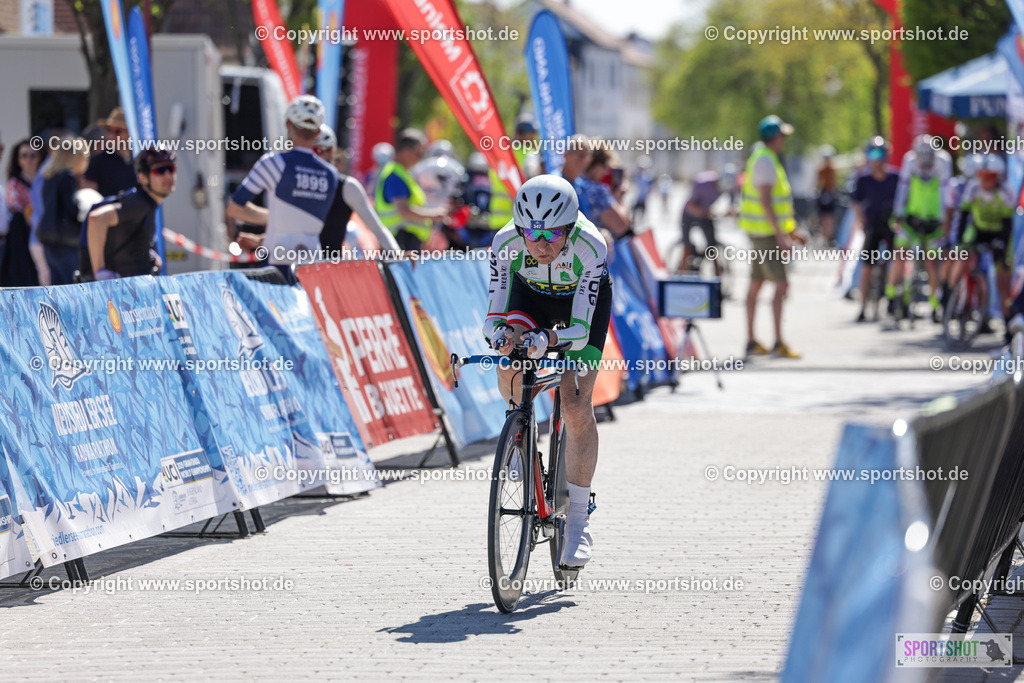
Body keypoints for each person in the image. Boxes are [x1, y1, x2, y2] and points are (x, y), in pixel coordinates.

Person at [484, 175, 612, 568]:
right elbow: (492, 317)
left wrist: (548, 341)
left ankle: (577, 517)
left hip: (579, 310)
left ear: (570, 228)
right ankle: (519, 436)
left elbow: (578, 330)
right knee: (510, 355)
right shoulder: (505, 245)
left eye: (553, 234)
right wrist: (500, 337)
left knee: (574, 404)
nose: (540, 244)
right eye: (531, 233)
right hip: (531, 297)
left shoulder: (591, 246)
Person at [227, 95, 339, 280]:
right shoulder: (331, 174)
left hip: (276, 264)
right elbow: (303, 221)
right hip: (313, 267)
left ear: (288, 125)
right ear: (318, 132)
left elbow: (234, 208)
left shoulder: (273, 163)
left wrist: (276, 217)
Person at [739, 115, 805, 358]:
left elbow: (773, 203)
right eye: (782, 136)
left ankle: (751, 341)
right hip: (766, 235)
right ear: (776, 137)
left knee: (756, 285)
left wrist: (791, 232)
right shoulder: (766, 161)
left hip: (761, 232)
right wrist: (782, 236)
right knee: (781, 285)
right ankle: (778, 341)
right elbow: (767, 201)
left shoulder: (762, 158)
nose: (784, 140)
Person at [82, 145, 176, 280]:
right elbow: (97, 218)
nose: (168, 175)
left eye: (170, 169)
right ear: (143, 177)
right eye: (160, 170)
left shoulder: (147, 203)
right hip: (116, 294)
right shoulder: (140, 203)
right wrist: (100, 271)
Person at [949, 154, 1014, 335]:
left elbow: (1008, 225)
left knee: (1003, 279)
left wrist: (1001, 246)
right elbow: (963, 216)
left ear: (998, 177)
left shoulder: (1006, 192)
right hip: (977, 231)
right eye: (981, 176)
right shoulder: (973, 188)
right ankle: (950, 295)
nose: (984, 181)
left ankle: (1008, 324)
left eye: (989, 177)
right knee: (961, 256)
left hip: (999, 233)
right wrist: (960, 241)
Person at [889, 134, 952, 322]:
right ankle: (893, 295)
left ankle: (935, 304)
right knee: (900, 254)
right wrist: (898, 214)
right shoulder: (909, 161)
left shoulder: (943, 162)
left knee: (931, 262)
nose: (924, 161)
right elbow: (903, 189)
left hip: (934, 220)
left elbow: (945, 193)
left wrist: (944, 220)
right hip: (911, 218)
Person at [312, 124, 399, 254]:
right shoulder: (289, 180)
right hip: (290, 264)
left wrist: (398, 256)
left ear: (331, 152)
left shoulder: (347, 186)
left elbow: (378, 229)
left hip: (327, 268)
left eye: (317, 151)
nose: (313, 157)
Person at [373, 128, 449, 252]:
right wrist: (436, 215)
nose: (421, 158)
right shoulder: (395, 175)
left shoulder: (403, 173)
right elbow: (404, 211)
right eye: (420, 153)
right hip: (399, 241)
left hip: (403, 241)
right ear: (407, 151)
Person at [850, 137, 899, 322]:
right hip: (872, 226)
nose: (877, 158)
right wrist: (861, 221)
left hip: (891, 226)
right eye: (873, 154)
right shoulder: (863, 179)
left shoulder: (895, 177)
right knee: (867, 268)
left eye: (880, 154)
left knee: (897, 262)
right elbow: (855, 202)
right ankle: (862, 306)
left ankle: (893, 299)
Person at [38, 139, 90, 285]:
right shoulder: (68, 178)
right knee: (72, 285)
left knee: (57, 285)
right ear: (76, 157)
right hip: (66, 240)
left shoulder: (49, 177)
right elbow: (72, 210)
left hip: (48, 237)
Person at [3, 138, 42, 286]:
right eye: (24, 155)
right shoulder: (14, 184)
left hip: (44, 237)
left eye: (33, 155)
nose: (29, 160)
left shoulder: (44, 180)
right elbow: (16, 208)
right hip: (25, 239)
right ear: (18, 160)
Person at [574, 144, 630, 238]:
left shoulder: (576, 184)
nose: (606, 172)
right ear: (596, 165)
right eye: (605, 166)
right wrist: (618, 196)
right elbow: (621, 226)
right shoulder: (598, 191)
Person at [678, 170, 725, 275]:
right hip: (689, 214)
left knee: (712, 247)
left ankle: (718, 277)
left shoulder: (723, 189)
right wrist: (705, 213)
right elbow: (690, 206)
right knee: (687, 246)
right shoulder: (704, 183)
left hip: (704, 214)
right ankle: (682, 275)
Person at [82, 107, 137, 197]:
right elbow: (88, 197)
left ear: (130, 133)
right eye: (109, 130)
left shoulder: (140, 159)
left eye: (117, 131)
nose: (111, 135)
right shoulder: (97, 161)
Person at [816, 146, 838, 244]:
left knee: (830, 217)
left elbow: (833, 183)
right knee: (823, 217)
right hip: (823, 194)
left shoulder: (832, 170)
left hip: (830, 194)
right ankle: (824, 236)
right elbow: (818, 184)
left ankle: (829, 236)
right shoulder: (821, 170)